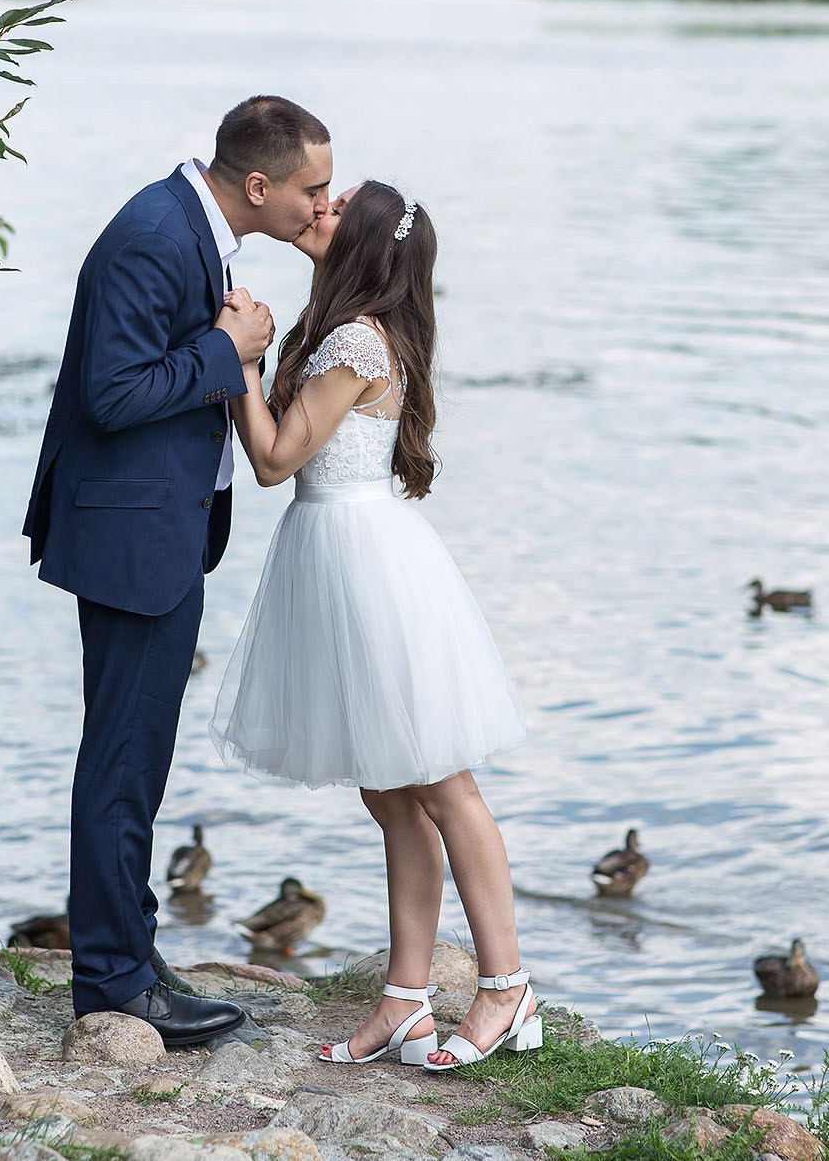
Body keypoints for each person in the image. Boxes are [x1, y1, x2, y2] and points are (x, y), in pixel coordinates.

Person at [22, 96, 332, 1046]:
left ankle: (130, 951)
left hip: (158, 534)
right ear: (258, 185)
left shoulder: (193, 229)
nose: (320, 205)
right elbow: (111, 395)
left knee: (136, 760)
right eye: (312, 189)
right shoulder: (156, 236)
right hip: (131, 540)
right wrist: (227, 352)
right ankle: (115, 982)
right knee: (121, 763)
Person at [211, 182, 538, 1070]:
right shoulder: (344, 326)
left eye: (339, 202)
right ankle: (405, 999)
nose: (321, 205)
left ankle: (506, 986)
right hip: (336, 558)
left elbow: (274, 459)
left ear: (361, 239)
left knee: (441, 782)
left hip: (367, 565)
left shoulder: (357, 338)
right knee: (389, 791)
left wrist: (239, 362)